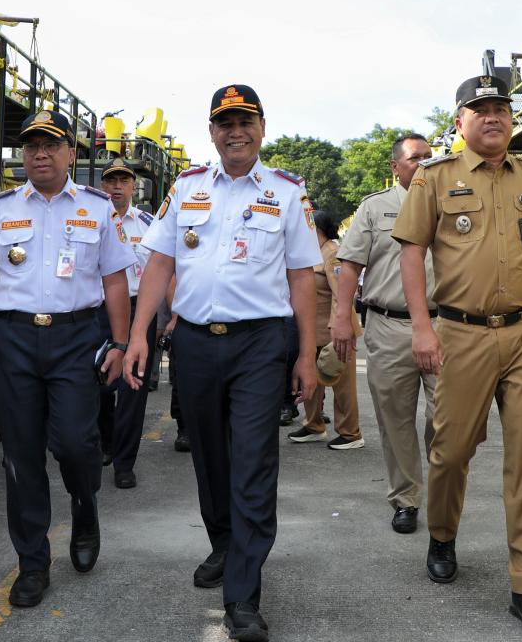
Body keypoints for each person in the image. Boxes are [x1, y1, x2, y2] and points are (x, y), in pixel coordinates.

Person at [122, 84, 321, 642]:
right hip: (194, 343)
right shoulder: (186, 188)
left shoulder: (287, 192)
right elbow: (159, 262)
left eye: (245, 122)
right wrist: (138, 335)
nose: (236, 132)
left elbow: (301, 276)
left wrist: (307, 354)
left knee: (253, 460)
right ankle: (224, 543)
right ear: (212, 133)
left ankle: (243, 596)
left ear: (262, 129)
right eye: (225, 123)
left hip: (260, 344)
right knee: (208, 455)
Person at [393, 75, 522, 639]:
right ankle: (442, 534)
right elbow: (411, 255)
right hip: (461, 333)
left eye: (501, 108)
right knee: (451, 450)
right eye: (479, 109)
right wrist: (423, 329)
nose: (493, 116)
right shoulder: (434, 178)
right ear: (460, 121)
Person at [0, 110, 134, 609]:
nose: (40, 154)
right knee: (21, 456)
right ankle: (32, 563)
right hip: (13, 341)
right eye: (31, 146)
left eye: (50, 145)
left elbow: (115, 280)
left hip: (77, 339)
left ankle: (85, 511)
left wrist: (120, 343)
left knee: (75, 444)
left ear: (71, 153)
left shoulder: (97, 208)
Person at [331, 133, 437, 534]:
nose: (424, 164)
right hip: (389, 326)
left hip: (443, 326)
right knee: (395, 420)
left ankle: (443, 492)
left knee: (448, 419)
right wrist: (342, 318)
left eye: (429, 157)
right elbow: (350, 265)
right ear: (395, 167)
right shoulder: (375, 208)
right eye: (415, 158)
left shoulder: (450, 201)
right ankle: (406, 499)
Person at [97, 157, 156, 489]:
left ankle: (124, 462)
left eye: (123, 181)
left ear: (134, 187)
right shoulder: (89, 220)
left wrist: (172, 315)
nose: (117, 187)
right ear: (103, 186)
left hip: (137, 311)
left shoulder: (148, 224)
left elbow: (163, 271)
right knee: (99, 383)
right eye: (111, 181)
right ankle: (105, 444)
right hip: (98, 311)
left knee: (133, 387)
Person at [286, 209, 362, 450]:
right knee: (311, 382)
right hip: (313, 332)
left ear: (316, 229)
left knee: (342, 385)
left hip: (336, 331)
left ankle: (350, 433)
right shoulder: (311, 253)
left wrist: (338, 327)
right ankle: (313, 425)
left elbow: (341, 294)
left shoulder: (333, 254)